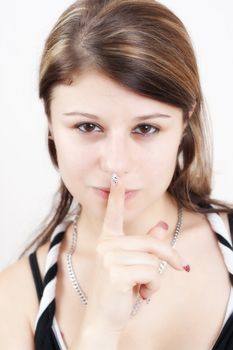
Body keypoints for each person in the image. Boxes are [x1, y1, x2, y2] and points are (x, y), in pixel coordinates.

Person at [0, 0, 233, 349]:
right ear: (50, 121)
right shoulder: (14, 301)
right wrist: (99, 330)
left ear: (186, 120)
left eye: (146, 128)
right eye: (88, 126)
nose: (116, 164)